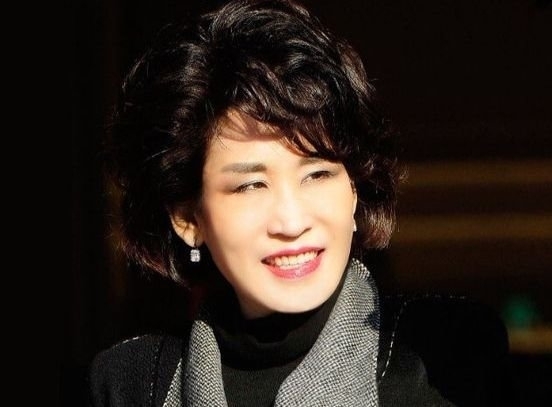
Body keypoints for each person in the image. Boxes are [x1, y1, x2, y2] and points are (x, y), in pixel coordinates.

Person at [88, 0, 518, 405]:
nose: (292, 222)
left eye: (317, 175)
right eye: (251, 186)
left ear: (354, 188)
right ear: (187, 218)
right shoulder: (133, 382)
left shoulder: (443, 352)